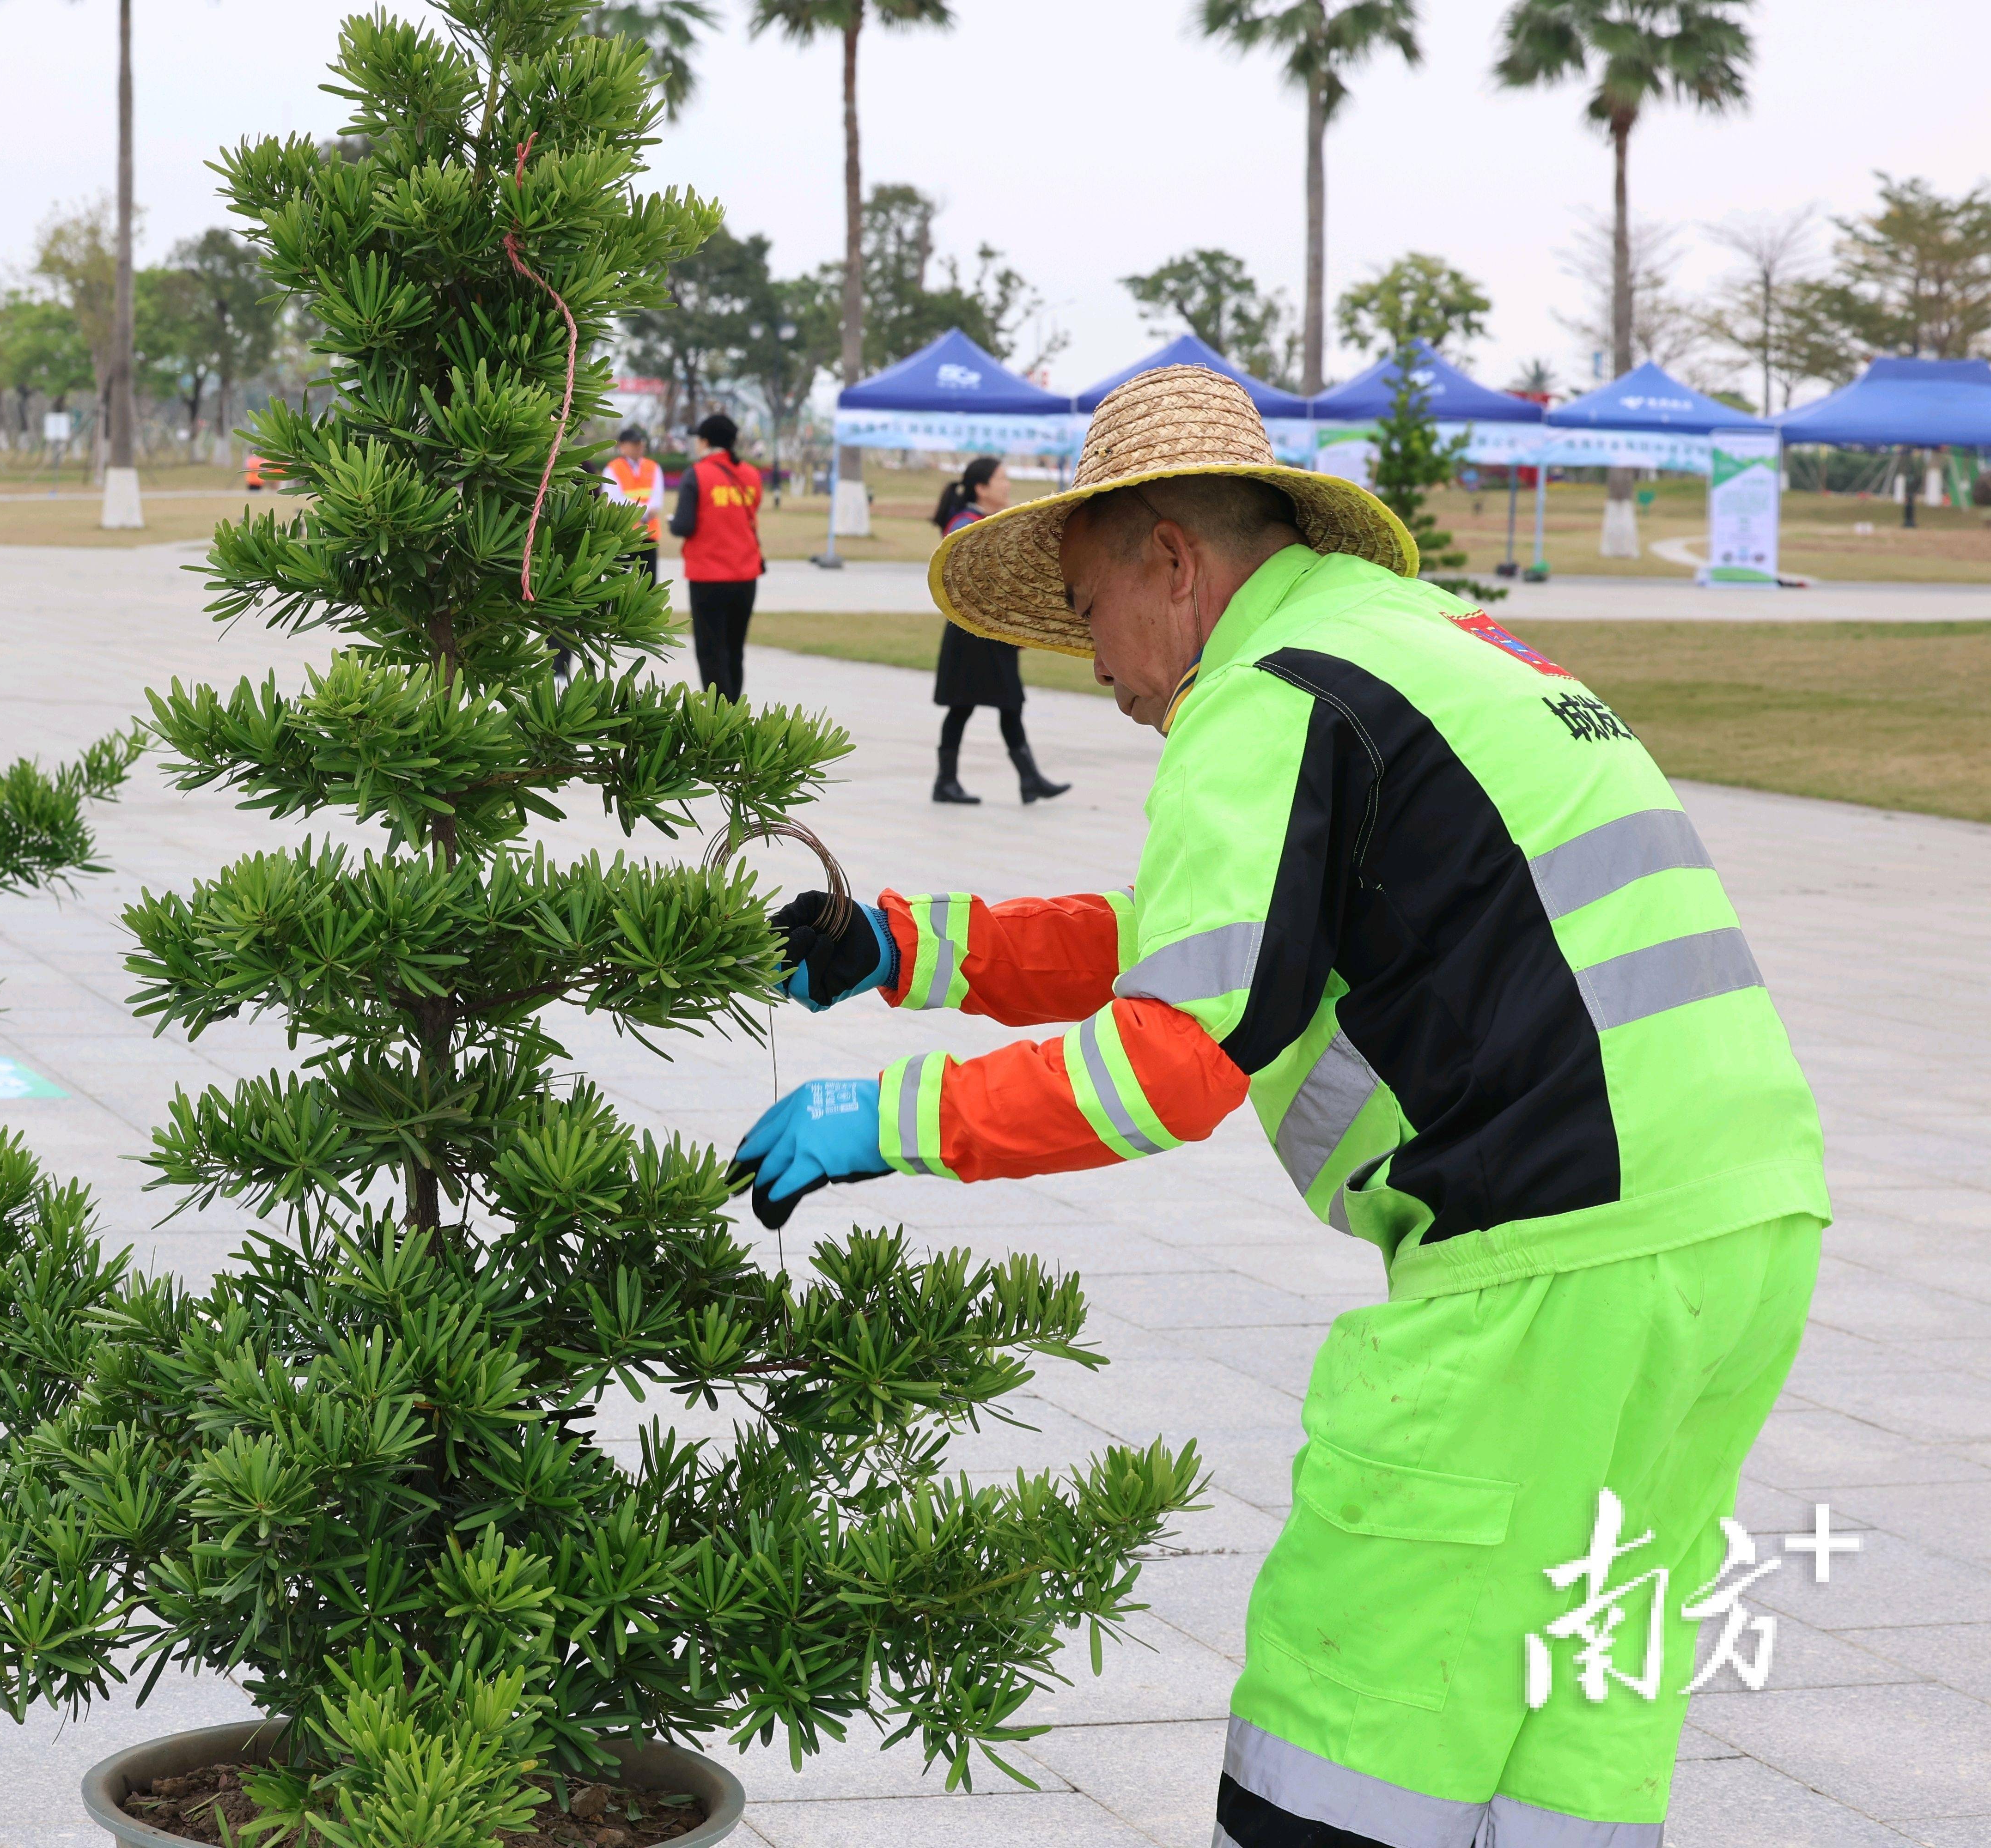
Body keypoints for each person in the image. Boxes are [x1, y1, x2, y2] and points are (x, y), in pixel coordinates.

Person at [736, 365, 1827, 1848]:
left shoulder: (1269, 695)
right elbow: (1220, 938)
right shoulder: (1421, 641)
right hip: (1737, 1234)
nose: (1092, 666)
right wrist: (909, 948)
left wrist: (884, 1116)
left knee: (1350, 1733)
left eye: (1083, 609)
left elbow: (1168, 1061)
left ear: (1169, 562)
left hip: (1538, 1271)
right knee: (1569, 1700)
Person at [928, 460, 1068, 806]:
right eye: (1001, 479)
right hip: (972, 634)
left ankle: (1027, 779)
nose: (1007, 485)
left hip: (990, 633)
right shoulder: (964, 525)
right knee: (967, 706)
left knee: (1007, 705)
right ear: (981, 488)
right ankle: (948, 782)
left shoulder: (982, 523)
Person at [666, 413, 764, 700]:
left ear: (706, 442)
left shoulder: (697, 475)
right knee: (735, 651)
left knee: (711, 653)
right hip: (746, 576)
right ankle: (734, 713)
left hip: (708, 577)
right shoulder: (751, 475)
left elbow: (684, 525)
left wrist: (673, 522)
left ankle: (719, 722)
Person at [599, 426, 665, 583]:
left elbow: (657, 500)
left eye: (640, 443)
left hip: (648, 536)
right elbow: (615, 500)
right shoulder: (613, 469)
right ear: (622, 446)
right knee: (615, 584)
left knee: (648, 584)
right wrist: (645, 511)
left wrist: (641, 512)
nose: (639, 447)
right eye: (634, 443)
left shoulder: (653, 467)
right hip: (624, 535)